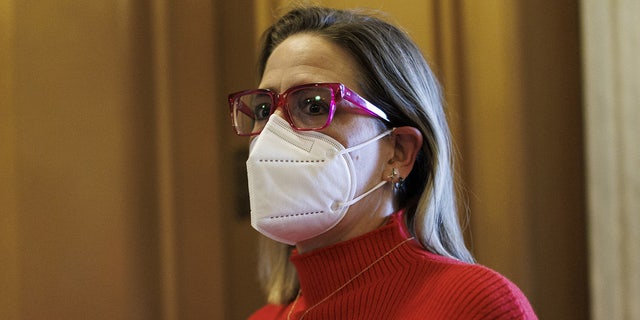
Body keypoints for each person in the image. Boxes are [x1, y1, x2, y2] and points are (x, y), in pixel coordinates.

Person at [227, 6, 537, 320]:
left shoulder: (475, 305)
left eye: (314, 105)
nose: (273, 134)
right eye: (265, 110)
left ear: (398, 151)